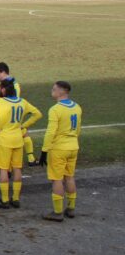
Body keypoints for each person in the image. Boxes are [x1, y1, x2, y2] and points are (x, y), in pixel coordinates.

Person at [0, 79, 42, 209]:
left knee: (4, 169)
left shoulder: (0, 102)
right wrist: (24, 126)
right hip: (18, 138)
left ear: (4, 90)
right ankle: (15, 198)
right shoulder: (22, 102)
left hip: (4, 139)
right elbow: (37, 114)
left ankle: (5, 200)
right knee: (17, 168)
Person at [40, 81, 82, 222]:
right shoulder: (77, 107)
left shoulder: (55, 109)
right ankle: (71, 209)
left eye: (54, 89)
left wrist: (44, 151)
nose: (52, 91)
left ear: (61, 92)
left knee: (57, 179)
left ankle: (57, 212)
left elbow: (50, 132)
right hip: (73, 146)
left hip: (59, 148)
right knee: (69, 177)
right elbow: (78, 129)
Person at [0, 62, 37, 166]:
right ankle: (30, 158)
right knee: (23, 132)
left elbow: (10, 101)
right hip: (13, 115)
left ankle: (4, 169)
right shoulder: (11, 84)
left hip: (6, 117)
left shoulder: (8, 86)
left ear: (3, 72)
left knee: (5, 143)